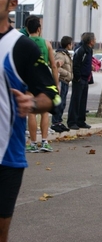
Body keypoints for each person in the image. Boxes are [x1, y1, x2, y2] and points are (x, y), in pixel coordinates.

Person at [0, 0, 60, 241]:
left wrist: (34, 103)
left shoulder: (20, 47)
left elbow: (52, 96)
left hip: (5, 157)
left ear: (12, 4)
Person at [25, 15, 59, 152]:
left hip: (28, 80)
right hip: (44, 80)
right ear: (39, 28)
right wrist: (56, 85)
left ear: (27, 29)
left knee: (31, 112)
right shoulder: (47, 44)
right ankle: (44, 142)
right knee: (45, 111)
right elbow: (54, 66)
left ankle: (33, 143)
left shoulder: (23, 43)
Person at [67, 32, 96, 130]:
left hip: (85, 79)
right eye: (94, 39)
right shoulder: (81, 50)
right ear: (90, 41)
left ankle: (80, 121)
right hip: (79, 79)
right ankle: (72, 122)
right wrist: (78, 77)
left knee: (83, 101)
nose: (95, 41)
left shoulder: (89, 50)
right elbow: (76, 64)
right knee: (76, 101)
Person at [51, 36, 73, 133]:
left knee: (63, 103)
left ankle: (59, 122)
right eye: (71, 44)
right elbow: (56, 67)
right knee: (59, 103)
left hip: (66, 81)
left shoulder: (65, 54)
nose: (72, 45)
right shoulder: (60, 55)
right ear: (68, 45)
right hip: (62, 80)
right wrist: (67, 74)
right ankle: (55, 123)